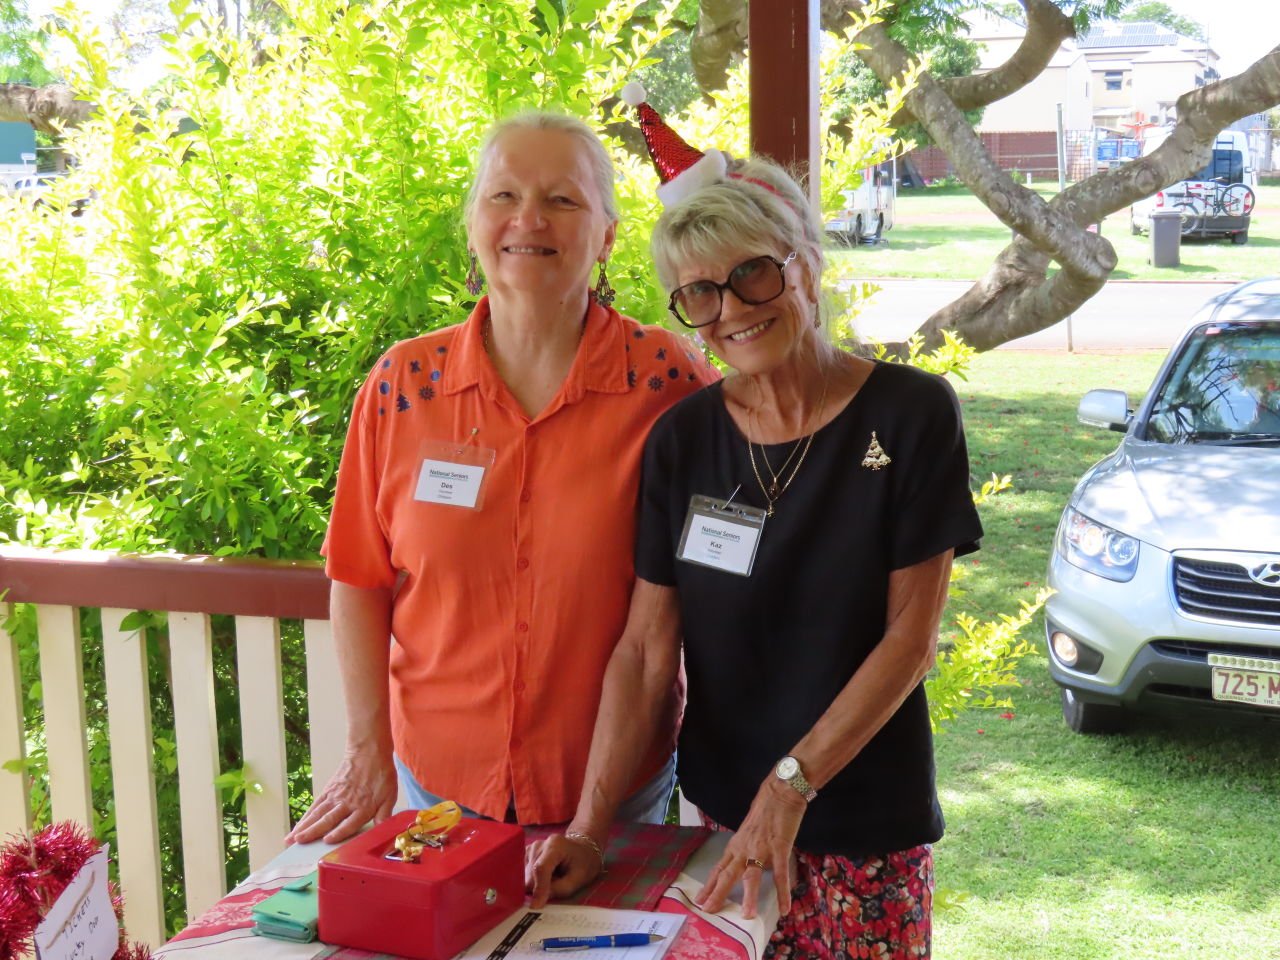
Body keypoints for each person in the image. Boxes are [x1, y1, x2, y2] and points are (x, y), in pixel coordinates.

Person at [527, 154, 982, 960]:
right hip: (724, 827)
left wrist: (790, 786)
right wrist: (591, 829)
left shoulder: (911, 414)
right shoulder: (683, 440)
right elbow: (641, 650)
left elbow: (909, 645)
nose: (731, 309)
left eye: (753, 275)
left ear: (804, 267)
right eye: (700, 292)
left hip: (862, 829)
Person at [287, 111, 718, 845]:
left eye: (563, 199)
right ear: (473, 223)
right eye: (504, 196)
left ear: (607, 235)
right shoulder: (401, 387)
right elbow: (360, 580)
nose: (529, 219)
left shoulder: (668, 383)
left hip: (612, 793)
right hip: (436, 785)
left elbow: (723, 571)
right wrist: (368, 752)